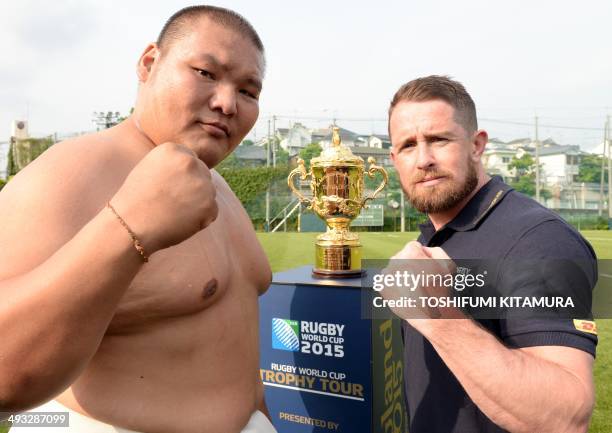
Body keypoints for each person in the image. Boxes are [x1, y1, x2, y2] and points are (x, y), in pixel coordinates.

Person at [0, 5, 277, 433]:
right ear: (149, 63)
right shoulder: (71, 170)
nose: (227, 103)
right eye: (206, 72)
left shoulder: (219, 189)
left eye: (248, 91)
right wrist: (127, 226)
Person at [386, 75, 597, 433]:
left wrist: (438, 316)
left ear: (476, 145)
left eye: (438, 139)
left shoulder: (539, 240)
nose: (423, 159)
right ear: (394, 159)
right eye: (408, 145)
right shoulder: (434, 234)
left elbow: (567, 415)